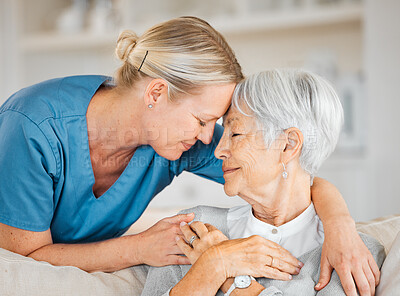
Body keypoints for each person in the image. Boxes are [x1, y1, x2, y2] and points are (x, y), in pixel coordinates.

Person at [0, 17, 376, 294]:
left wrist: (341, 227)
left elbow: (285, 173)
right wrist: (141, 246)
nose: (209, 138)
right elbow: (25, 258)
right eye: (202, 120)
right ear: (156, 95)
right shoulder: (32, 127)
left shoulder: (177, 141)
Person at [141, 69, 385, 296]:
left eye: (235, 134)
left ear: (288, 145)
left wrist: (226, 273)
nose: (218, 150)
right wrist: (214, 265)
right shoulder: (195, 228)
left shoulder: (352, 254)